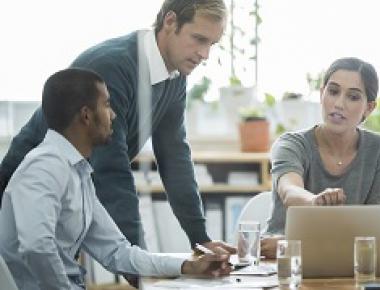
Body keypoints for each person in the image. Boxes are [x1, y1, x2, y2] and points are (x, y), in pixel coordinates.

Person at [0, 0, 234, 255]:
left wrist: (200, 240)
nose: (205, 54)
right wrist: (140, 262)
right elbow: (111, 167)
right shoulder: (112, 67)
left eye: (212, 44)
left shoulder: (175, 77)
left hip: (71, 196)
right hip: (28, 194)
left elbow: (175, 156)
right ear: (170, 22)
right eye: (199, 39)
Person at [0, 68, 232, 290]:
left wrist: (188, 266)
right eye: (107, 104)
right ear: (86, 115)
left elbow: (118, 252)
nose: (114, 115)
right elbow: (37, 247)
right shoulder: (44, 167)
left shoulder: (77, 171)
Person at [261, 57, 380, 258]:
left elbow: (371, 230)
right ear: (321, 93)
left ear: (369, 108)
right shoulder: (290, 144)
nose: (339, 104)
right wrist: (316, 202)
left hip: (342, 258)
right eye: (333, 92)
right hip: (281, 257)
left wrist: (297, 244)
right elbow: (289, 191)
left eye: (353, 97)